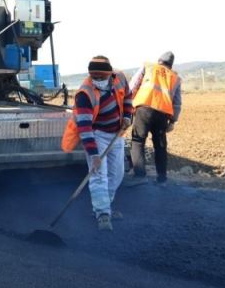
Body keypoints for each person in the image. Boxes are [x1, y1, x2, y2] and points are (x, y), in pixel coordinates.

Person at [62, 55, 133, 231]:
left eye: (102, 77)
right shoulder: (84, 94)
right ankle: (102, 213)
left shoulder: (120, 78)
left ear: (110, 74)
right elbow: (84, 127)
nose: (98, 80)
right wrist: (94, 155)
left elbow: (128, 97)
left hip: (116, 133)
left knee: (117, 174)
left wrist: (127, 116)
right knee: (98, 175)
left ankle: (106, 206)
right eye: (95, 77)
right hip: (96, 134)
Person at [127, 51, 182, 185]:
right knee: (160, 145)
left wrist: (127, 106)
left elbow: (132, 86)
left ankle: (140, 176)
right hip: (162, 114)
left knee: (138, 141)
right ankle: (162, 179)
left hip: (144, 109)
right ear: (171, 65)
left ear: (159, 61)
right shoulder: (175, 77)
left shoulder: (148, 67)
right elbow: (177, 102)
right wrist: (173, 121)